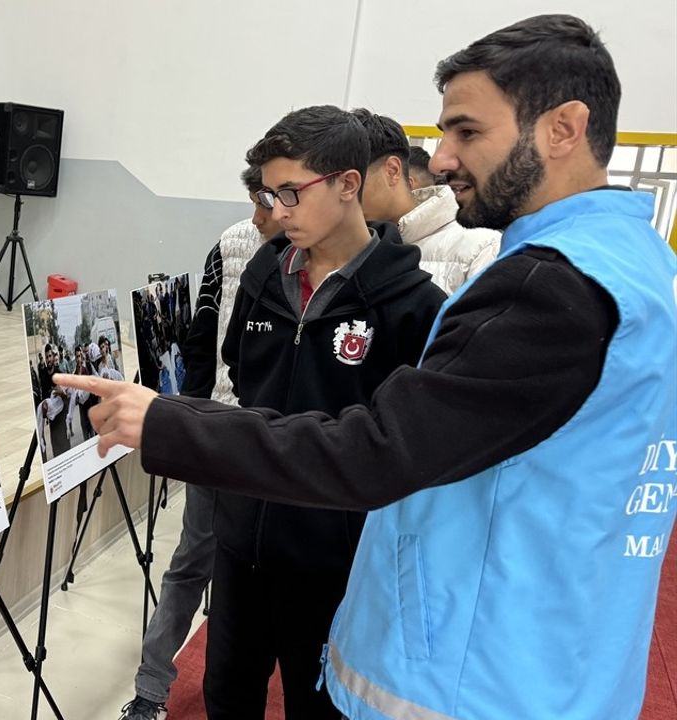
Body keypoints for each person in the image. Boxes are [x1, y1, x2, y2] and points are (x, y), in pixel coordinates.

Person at [59, 14, 676, 720]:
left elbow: (376, 449)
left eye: (467, 131)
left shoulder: (546, 287)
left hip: (480, 677)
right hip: (546, 656)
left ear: (563, 128)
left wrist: (168, 421)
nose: (439, 161)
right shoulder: (631, 263)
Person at [210, 105, 448, 720]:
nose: (276, 209)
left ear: (349, 184)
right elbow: (241, 365)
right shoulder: (266, 271)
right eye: (269, 192)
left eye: (292, 192)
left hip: (334, 554)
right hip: (242, 537)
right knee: (227, 690)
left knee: (318, 704)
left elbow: (409, 435)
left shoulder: (413, 304)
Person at [119, 159, 282, 720]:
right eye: (257, 201)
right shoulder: (231, 244)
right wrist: (191, 419)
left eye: (272, 202)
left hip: (288, 450)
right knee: (191, 561)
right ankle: (150, 691)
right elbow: (199, 337)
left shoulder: (333, 256)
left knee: (268, 580)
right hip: (220, 437)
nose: (261, 217)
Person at [352, 108, 499, 293]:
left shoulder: (480, 247)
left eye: (352, 182)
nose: (344, 195)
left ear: (392, 171)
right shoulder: (348, 244)